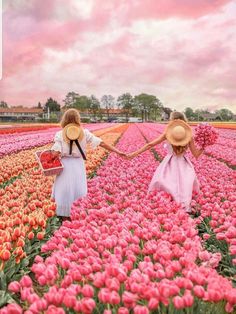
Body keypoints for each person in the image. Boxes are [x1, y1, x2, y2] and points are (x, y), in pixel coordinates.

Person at [51, 108, 126, 219]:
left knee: (64, 190)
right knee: (77, 189)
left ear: (64, 119)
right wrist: (117, 151)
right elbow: (102, 143)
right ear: (77, 119)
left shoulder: (60, 134)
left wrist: (50, 156)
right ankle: (77, 216)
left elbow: (55, 152)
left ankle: (64, 218)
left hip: (65, 165)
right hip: (78, 165)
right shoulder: (84, 133)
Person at [128, 112, 203, 213]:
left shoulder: (168, 134)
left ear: (172, 122)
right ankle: (185, 205)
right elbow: (196, 154)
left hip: (169, 163)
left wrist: (134, 154)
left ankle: (168, 205)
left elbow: (150, 144)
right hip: (184, 164)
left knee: (166, 182)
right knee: (185, 184)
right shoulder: (188, 136)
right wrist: (204, 145)